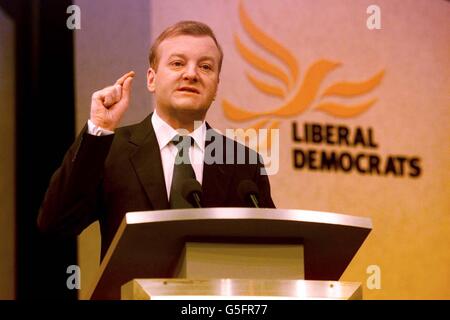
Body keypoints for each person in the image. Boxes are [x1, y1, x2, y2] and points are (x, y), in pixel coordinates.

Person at [38, 21, 275, 259]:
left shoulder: (243, 162)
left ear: (216, 87)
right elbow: (56, 224)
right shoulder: (110, 148)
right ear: (151, 79)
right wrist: (99, 129)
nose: (191, 74)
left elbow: (272, 249)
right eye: (177, 63)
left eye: (205, 67)